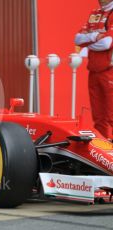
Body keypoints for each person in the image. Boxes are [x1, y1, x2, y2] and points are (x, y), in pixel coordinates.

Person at [75, 0, 113, 140]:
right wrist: (95, 36)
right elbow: (78, 39)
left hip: (109, 71)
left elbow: (107, 43)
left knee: (111, 116)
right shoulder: (94, 13)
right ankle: (102, 153)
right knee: (98, 118)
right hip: (94, 70)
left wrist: (89, 44)